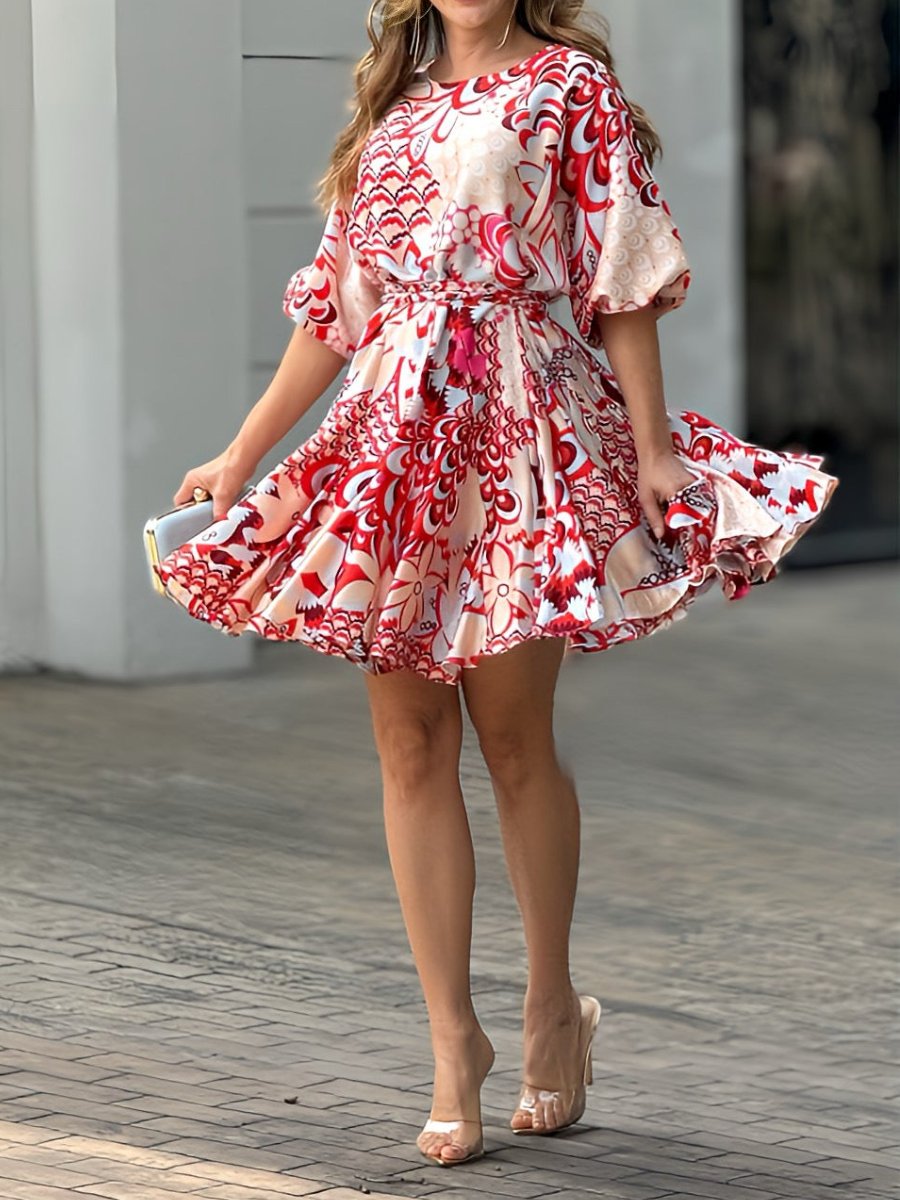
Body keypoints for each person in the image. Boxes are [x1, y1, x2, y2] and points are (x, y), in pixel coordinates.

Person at [152, 0, 839, 1169]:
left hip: (525, 436)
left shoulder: (568, 86)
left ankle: (550, 1010)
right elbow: (337, 310)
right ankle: (449, 1042)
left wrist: (657, 448)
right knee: (409, 743)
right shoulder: (394, 110)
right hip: (393, 444)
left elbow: (620, 272)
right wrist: (245, 449)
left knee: (513, 737)